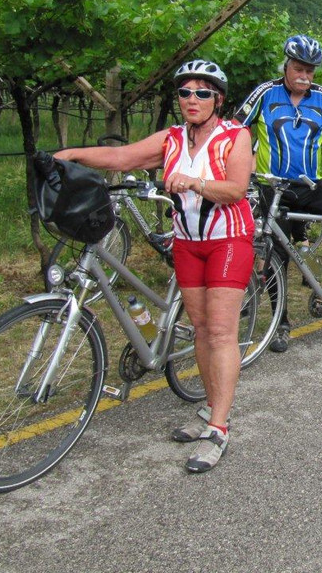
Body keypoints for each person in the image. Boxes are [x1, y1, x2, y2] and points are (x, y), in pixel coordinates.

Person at [56, 60, 254, 473]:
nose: (192, 99)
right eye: (185, 92)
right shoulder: (172, 138)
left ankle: (219, 428)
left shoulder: (235, 136)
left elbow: (236, 189)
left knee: (221, 332)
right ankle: (211, 408)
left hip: (228, 241)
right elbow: (121, 157)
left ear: (218, 99)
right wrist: (70, 154)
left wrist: (195, 182)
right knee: (201, 328)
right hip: (187, 243)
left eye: (202, 93)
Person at [236, 34, 322, 337]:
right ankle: (280, 323)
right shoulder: (266, 93)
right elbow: (236, 129)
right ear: (286, 66)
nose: (304, 76)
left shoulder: (321, 97)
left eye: (310, 71)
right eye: (298, 69)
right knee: (277, 255)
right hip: (273, 188)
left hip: (311, 186)